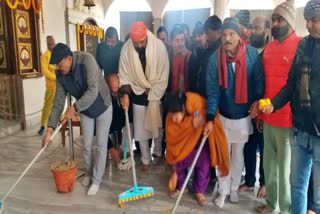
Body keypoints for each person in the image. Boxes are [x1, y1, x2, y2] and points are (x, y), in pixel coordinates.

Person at [261, 0, 320, 213]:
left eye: (314, 20)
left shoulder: (298, 43)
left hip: (304, 126)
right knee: (285, 177)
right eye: (308, 20)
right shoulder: (296, 46)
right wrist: (269, 106)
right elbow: (287, 84)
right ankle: (277, 207)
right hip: (286, 123)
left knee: (307, 186)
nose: (310, 25)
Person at [204, 17, 264, 208]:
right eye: (224, 35)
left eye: (231, 34)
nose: (227, 38)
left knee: (238, 154)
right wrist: (210, 117)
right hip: (223, 115)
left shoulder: (253, 55)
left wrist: (257, 101)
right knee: (223, 156)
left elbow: (258, 83)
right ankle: (222, 190)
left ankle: (234, 188)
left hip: (244, 116)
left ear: (239, 37)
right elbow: (212, 91)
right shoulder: (214, 59)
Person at [42, 43, 113, 196]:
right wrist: (49, 130)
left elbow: (93, 91)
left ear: (69, 58)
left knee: (100, 146)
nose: (59, 69)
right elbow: (58, 102)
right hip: (86, 109)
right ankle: (88, 173)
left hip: (103, 106)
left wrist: (73, 108)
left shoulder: (86, 60)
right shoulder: (61, 75)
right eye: (57, 66)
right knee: (86, 145)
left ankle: (97, 180)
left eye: (60, 65)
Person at [257, 1, 301, 213]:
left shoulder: (300, 45)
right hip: (268, 118)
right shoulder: (269, 47)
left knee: (285, 171)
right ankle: (270, 204)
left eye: (279, 19)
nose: (275, 23)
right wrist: (260, 112)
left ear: (290, 22)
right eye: (273, 20)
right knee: (269, 166)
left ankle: (286, 209)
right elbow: (264, 82)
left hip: (288, 120)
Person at [118, 21, 169, 171]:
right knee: (140, 130)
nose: (139, 46)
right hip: (137, 94)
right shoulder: (126, 49)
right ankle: (145, 160)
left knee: (157, 128)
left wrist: (153, 92)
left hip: (155, 93)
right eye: (136, 43)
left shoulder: (159, 47)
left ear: (146, 35)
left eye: (142, 42)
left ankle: (158, 153)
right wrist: (125, 94)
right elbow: (124, 74)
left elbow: (164, 73)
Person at [165, 92, 229, 206]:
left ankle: (199, 191)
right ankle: (181, 186)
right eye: (172, 116)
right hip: (182, 146)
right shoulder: (170, 119)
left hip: (199, 143)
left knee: (204, 165)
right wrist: (174, 170)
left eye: (176, 116)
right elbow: (172, 141)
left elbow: (207, 112)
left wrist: (200, 121)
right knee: (179, 162)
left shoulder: (195, 102)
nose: (174, 120)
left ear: (183, 110)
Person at [239, 16, 271, 198]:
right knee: (248, 145)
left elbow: (271, 84)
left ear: (267, 31)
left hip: (265, 109)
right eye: (252, 27)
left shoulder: (271, 52)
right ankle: (250, 181)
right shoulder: (248, 51)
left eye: (257, 28)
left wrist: (262, 109)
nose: (252, 31)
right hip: (247, 107)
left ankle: (264, 183)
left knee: (264, 147)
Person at [189, 15, 222, 97]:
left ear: (218, 32)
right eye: (205, 33)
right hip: (204, 96)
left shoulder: (221, 52)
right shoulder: (208, 49)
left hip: (213, 99)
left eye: (208, 33)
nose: (206, 37)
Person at [38, 36, 56, 135]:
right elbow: (45, 71)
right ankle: (43, 125)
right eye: (50, 44)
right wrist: (56, 77)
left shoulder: (56, 54)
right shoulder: (45, 56)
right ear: (47, 45)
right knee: (47, 106)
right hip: (51, 86)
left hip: (59, 86)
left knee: (59, 105)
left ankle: (61, 124)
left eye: (53, 44)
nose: (52, 46)